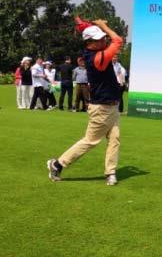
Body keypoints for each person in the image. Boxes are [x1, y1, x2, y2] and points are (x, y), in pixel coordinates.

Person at [46, 19, 123, 186]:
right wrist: (103, 26)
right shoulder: (98, 58)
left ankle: (110, 172)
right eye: (100, 39)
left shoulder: (92, 51)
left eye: (103, 38)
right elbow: (118, 40)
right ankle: (58, 164)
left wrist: (90, 25)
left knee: (114, 139)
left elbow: (89, 31)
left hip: (111, 106)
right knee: (90, 141)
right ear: (90, 43)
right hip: (102, 108)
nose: (104, 40)